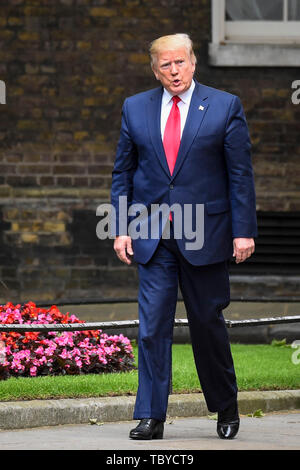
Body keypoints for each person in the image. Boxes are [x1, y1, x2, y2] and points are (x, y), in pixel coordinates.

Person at [111, 33, 257, 440]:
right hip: (151, 233)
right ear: (154, 69)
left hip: (206, 234)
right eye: (165, 65)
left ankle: (225, 405)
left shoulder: (225, 105)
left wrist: (243, 231)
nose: (174, 71)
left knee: (207, 323)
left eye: (180, 62)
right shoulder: (135, 108)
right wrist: (121, 226)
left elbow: (240, 175)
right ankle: (151, 415)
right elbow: (122, 172)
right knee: (152, 326)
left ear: (193, 62)